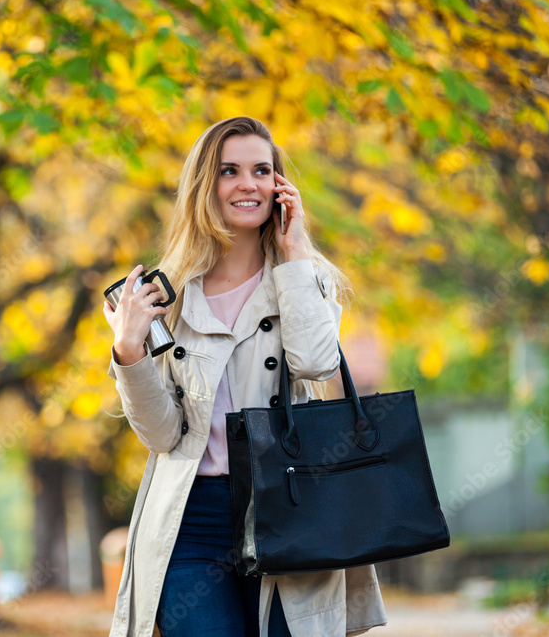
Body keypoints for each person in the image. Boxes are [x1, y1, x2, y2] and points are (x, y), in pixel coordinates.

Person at [101, 117, 388, 636]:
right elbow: (162, 434)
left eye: (262, 170)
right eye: (229, 171)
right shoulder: (170, 294)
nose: (247, 184)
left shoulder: (307, 278)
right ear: (203, 186)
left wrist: (295, 254)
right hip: (191, 519)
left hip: (289, 503)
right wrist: (128, 351)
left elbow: (316, 363)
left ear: (280, 185)